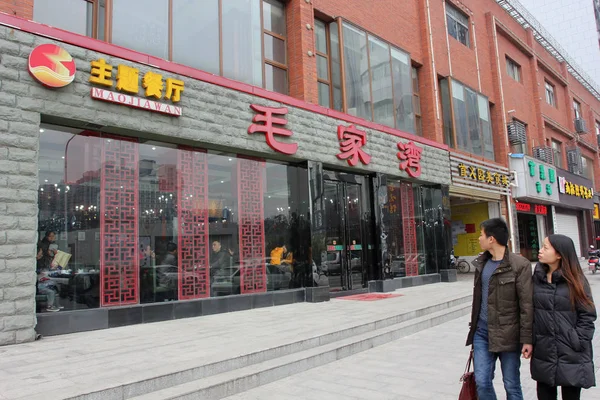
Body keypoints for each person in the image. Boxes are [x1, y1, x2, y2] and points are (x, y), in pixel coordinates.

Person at [465, 218, 533, 400]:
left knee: (511, 385)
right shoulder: (482, 264)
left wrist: (527, 339)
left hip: (509, 334)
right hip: (482, 333)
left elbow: (527, 305)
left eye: (481, 234)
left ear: (491, 239)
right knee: (482, 381)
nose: (479, 238)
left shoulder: (520, 265)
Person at [532, 234, 596, 400]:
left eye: (545, 248)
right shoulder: (537, 278)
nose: (540, 251)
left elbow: (587, 317)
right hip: (544, 351)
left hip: (571, 353)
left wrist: (577, 340)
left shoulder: (577, 281)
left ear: (559, 254)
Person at [36, 245, 60, 312]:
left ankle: (55, 304)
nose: (41, 255)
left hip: (42, 282)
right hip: (38, 284)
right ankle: (50, 306)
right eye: (40, 253)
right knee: (51, 291)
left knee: (55, 287)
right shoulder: (37, 263)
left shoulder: (42, 261)